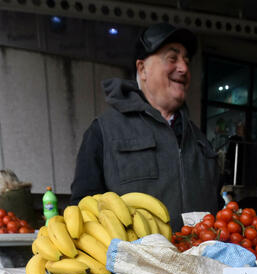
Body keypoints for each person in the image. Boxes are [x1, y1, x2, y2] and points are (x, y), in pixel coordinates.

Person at [70, 22, 222, 231]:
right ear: (142, 69)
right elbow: (82, 211)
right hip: (133, 262)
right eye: (172, 58)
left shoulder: (200, 140)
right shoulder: (104, 131)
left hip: (199, 261)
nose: (184, 68)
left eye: (186, 60)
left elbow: (218, 209)